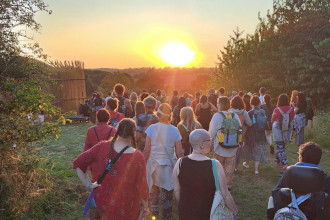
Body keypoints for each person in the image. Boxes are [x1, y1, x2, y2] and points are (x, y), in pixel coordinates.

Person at [73, 119, 149, 219]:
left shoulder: (102, 146)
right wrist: (146, 206)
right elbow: (142, 185)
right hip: (126, 206)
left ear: (117, 130)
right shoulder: (138, 157)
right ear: (133, 133)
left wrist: (89, 184)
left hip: (101, 202)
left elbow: (78, 163)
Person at [173, 129, 239, 220]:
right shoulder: (215, 165)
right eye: (210, 140)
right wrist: (235, 212)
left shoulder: (179, 163)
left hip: (185, 212)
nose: (211, 143)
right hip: (208, 213)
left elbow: (177, 190)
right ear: (201, 144)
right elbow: (225, 194)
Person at [269, 142, 330, 219]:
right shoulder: (325, 178)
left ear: (300, 157)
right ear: (319, 160)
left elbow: (275, 194)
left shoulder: (290, 173)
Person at [144, 103, 184, 220]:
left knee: (154, 192)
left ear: (157, 115)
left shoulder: (151, 128)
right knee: (167, 194)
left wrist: (142, 164)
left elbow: (147, 150)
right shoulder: (175, 130)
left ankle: (154, 216)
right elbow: (179, 152)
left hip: (153, 165)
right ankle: (166, 217)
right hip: (168, 166)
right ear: (170, 116)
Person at [209, 96, 242, 189]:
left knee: (219, 168)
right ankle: (227, 186)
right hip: (232, 146)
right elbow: (239, 128)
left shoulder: (217, 116)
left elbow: (211, 133)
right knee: (229, 168)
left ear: (219, 104)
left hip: (219, 147)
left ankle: (218, 186)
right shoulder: (234, 115)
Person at [242, 96, 268, 175]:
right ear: (259, 103)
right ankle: (256, 170)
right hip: (260, 134)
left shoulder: (250, 112)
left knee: (248, 149)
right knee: (257, 151)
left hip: (251, 134)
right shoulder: (263, 111)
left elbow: (247, 124)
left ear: (251, 103)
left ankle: (247, 164)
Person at [271, 94, 295, 171]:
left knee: (279, 145)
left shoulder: (276, 110)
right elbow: (292, 119)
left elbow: (272, 120)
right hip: (287, 128)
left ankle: (285, 164)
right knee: (281, 145)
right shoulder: (291, 109)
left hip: (277, 127)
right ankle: (277, 160)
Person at [229, 96, 252, 171]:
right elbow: (249, 123)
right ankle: (235, 166)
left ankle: (229, 164)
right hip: (240, 132)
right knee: (238, 150)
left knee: (230, 148)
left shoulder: (229, 111)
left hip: (231, 132)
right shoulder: (244, 112)